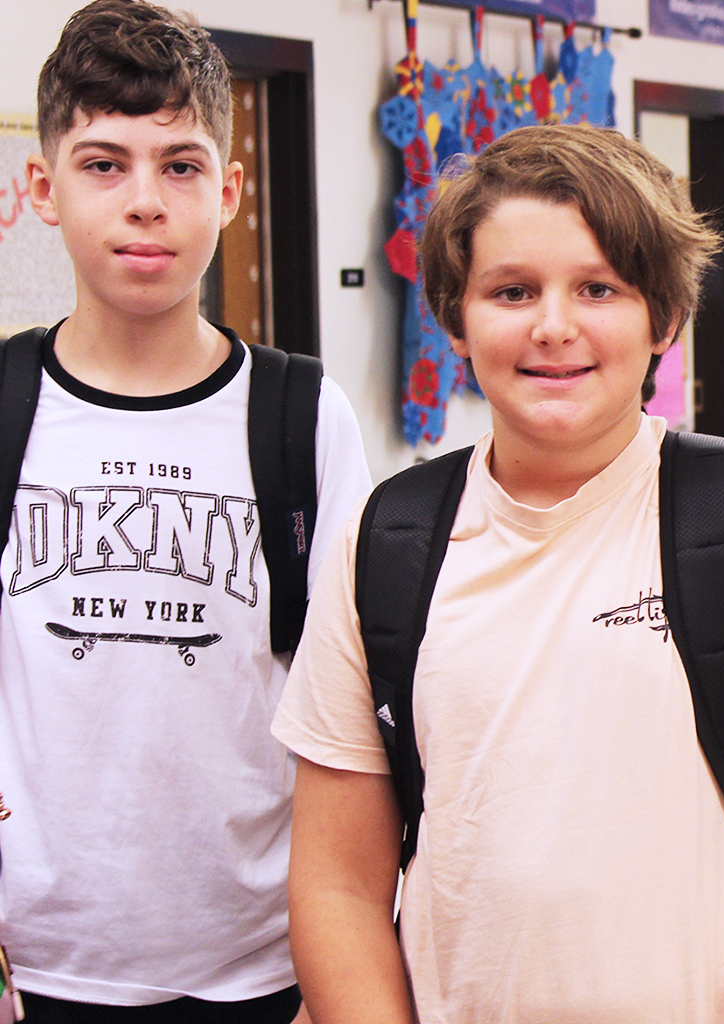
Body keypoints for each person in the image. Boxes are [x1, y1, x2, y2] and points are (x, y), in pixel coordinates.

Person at [274, 123, 724, 1024]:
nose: (553, 326)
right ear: (456, 316)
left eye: (598, 288)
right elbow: (336, 886)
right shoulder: (389, 538)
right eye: (512, 290)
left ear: (664, 318)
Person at [0, 3, 373, 1021]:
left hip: (260, 967)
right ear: (43, 186)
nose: (144, 202)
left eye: (180, 165)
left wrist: (334, 972)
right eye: (103, 163)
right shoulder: (3, 406)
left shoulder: (305, 418)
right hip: (34, 967)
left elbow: (359, 712)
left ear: (231, 190)